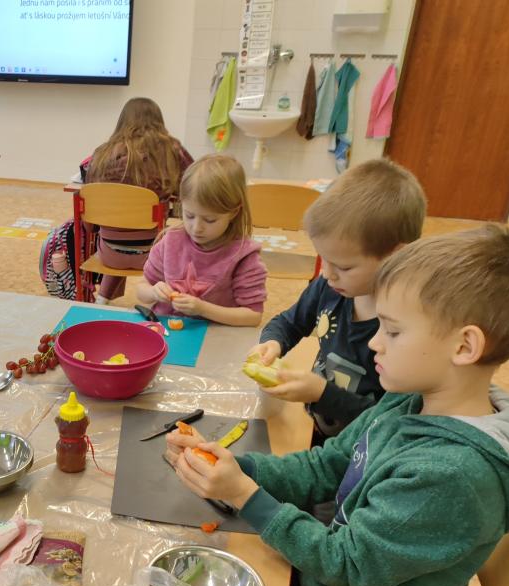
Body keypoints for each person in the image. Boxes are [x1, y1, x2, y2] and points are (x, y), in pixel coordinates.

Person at [168, 224, 509, 586]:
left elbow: (346, 563)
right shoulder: (412, 395)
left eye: (392, 331)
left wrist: (245, 497)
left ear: (464, 345)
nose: (374, 343)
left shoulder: (451, 475)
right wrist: (241, 469)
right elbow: (327, 467)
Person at [248, 158, 426, 437]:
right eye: (323, 259)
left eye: (344, 267)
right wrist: (273, 343)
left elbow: (390, 421)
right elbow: (289, 323)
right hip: (317, 427)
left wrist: (322, 394)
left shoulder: (405, 328)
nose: (327, 274)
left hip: (361, 447)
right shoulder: (330, 287)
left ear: (395, 256)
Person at [42, 97, 193, 302]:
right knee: (165, 231)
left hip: (109, 253)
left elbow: (89, 225)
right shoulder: (172, 150)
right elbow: (193, 183)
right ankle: (162, 298)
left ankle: (102, 299)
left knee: (121, 225)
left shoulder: (103, 153)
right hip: (154, 255)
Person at [135, 154, 267, 326]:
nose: (197, 228)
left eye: (210, 220)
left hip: (215, 335)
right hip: (166, 330)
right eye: (189, 215)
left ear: (234, 212)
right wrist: (153, 292)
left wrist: (203, 309)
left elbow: (253, 316)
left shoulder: (243, 256)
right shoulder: (170, 242)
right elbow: (141, 289)